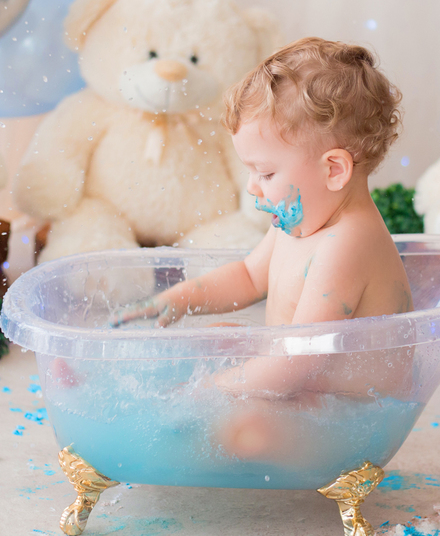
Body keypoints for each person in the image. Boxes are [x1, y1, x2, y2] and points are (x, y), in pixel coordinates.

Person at [114, 39, 414, 461]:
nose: (253, 187)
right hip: (299, 377)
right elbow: (249, 277)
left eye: (266, 172)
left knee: (241, 427)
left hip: (348, 416)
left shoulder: (347, 243)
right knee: (215, 341)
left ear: (334, 169)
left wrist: (212, 391)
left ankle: (185, 438)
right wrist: (180, 299)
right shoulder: (304, 219)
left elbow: (298, 360)